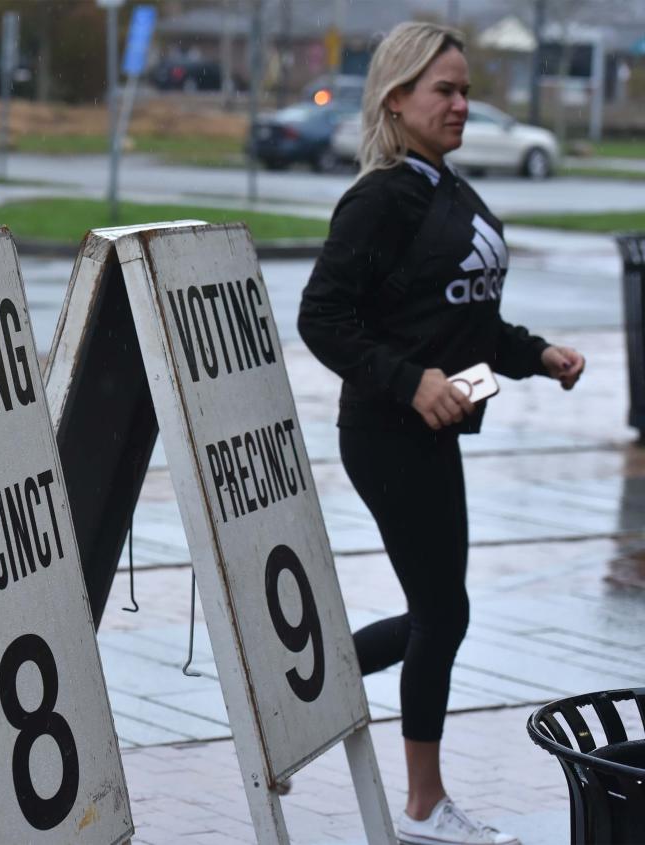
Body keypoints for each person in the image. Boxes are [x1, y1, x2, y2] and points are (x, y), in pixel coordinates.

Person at [297, 21, 584, 845]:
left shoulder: (445, 188)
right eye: (444, 91)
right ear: (397, 99)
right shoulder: (381, 197)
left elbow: (470, 327)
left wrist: (537, 355)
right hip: (387, 431)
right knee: (441, 612)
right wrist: (407, 379)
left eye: (466, 90)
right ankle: (421, 802)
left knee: (443, 614)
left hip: (434, 427)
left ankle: (318, 680)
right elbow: (321, 317)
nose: (462, 104)